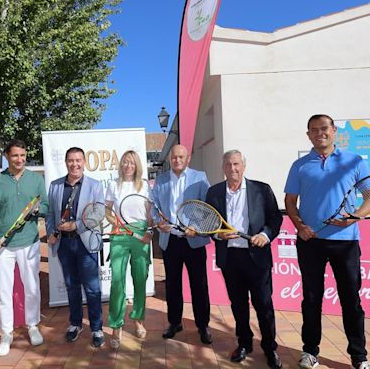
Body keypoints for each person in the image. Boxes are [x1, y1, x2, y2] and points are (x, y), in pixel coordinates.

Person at [284, 114, 369, 369]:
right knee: (311, 298)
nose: (319, 133)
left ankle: (359, 356)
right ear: (308, 135)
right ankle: (310, 351)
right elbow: (290, 202)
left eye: (324, 128)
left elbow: (369, 197)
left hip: (345, 243)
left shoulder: (354, 161)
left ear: (333, 131)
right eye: (313, 130)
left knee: (350, 300)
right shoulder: (299, 165)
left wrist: (354, 217)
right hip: (311, 242)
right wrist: (300, 227)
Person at [206, 150, 283, 369]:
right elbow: (208, 222)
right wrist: (218, 234)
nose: (233, 169)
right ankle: (244, 344)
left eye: (237, 164)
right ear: (223, 167)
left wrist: (265, 235)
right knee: (238, 305)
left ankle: (270, 348)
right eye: (229, 164)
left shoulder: (262, 189)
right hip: (230, 258)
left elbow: (275, 217)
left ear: (244, 166)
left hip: (257, 258)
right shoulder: (214, 193)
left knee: (264, 305)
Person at [0, 139, 48, 356]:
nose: (20, 159)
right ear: (7, 157)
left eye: (23, 155)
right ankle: (6, 333)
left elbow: (45, 205)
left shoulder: (36, 180)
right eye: (15, 155)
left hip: (29, 243)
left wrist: (37, 211)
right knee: (3, 292)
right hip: (2, 247)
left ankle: (33, 325)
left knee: (32, 287)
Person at [152, 144, 212, 344]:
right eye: (174, 157)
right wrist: (158, 222)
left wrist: (196, 226)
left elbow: (207, 208)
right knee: (172, 285)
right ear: (170, 159)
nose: (177, 160)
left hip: (193, 240)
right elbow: (154, 207)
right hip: (171, 241)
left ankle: (203, 325)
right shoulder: (160, 180)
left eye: (181, 157)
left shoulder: (200, 177)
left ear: (188, 159)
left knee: (199, 285)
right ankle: (174, 322)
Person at [46, 147, 105, 348]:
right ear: (66, 162)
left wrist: (76, 225)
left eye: (78, 160)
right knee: (71, 286)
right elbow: (50, 214)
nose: (75, 164)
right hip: (64, 243)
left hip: (85, 242)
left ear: (84, 162)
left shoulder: (95, 186)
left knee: (92, 288)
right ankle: (75, 324)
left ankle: (96, 328)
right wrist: (51, 232)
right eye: (71, 160)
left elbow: (98, 213)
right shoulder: (55, 186)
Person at [105, 150, 152, 348]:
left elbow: (150, 212)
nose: (128, 166)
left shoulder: (145, 186)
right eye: (125, 162)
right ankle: (116, 325)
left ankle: (139, 319)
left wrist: (149, 231)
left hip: (141, 234)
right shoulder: (112, 185)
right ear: (121, 165)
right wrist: (114, 223)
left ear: (137, 165)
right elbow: (107, 210)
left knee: (140, 279)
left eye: (132, 163)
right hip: (119, 235)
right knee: (117, 281)